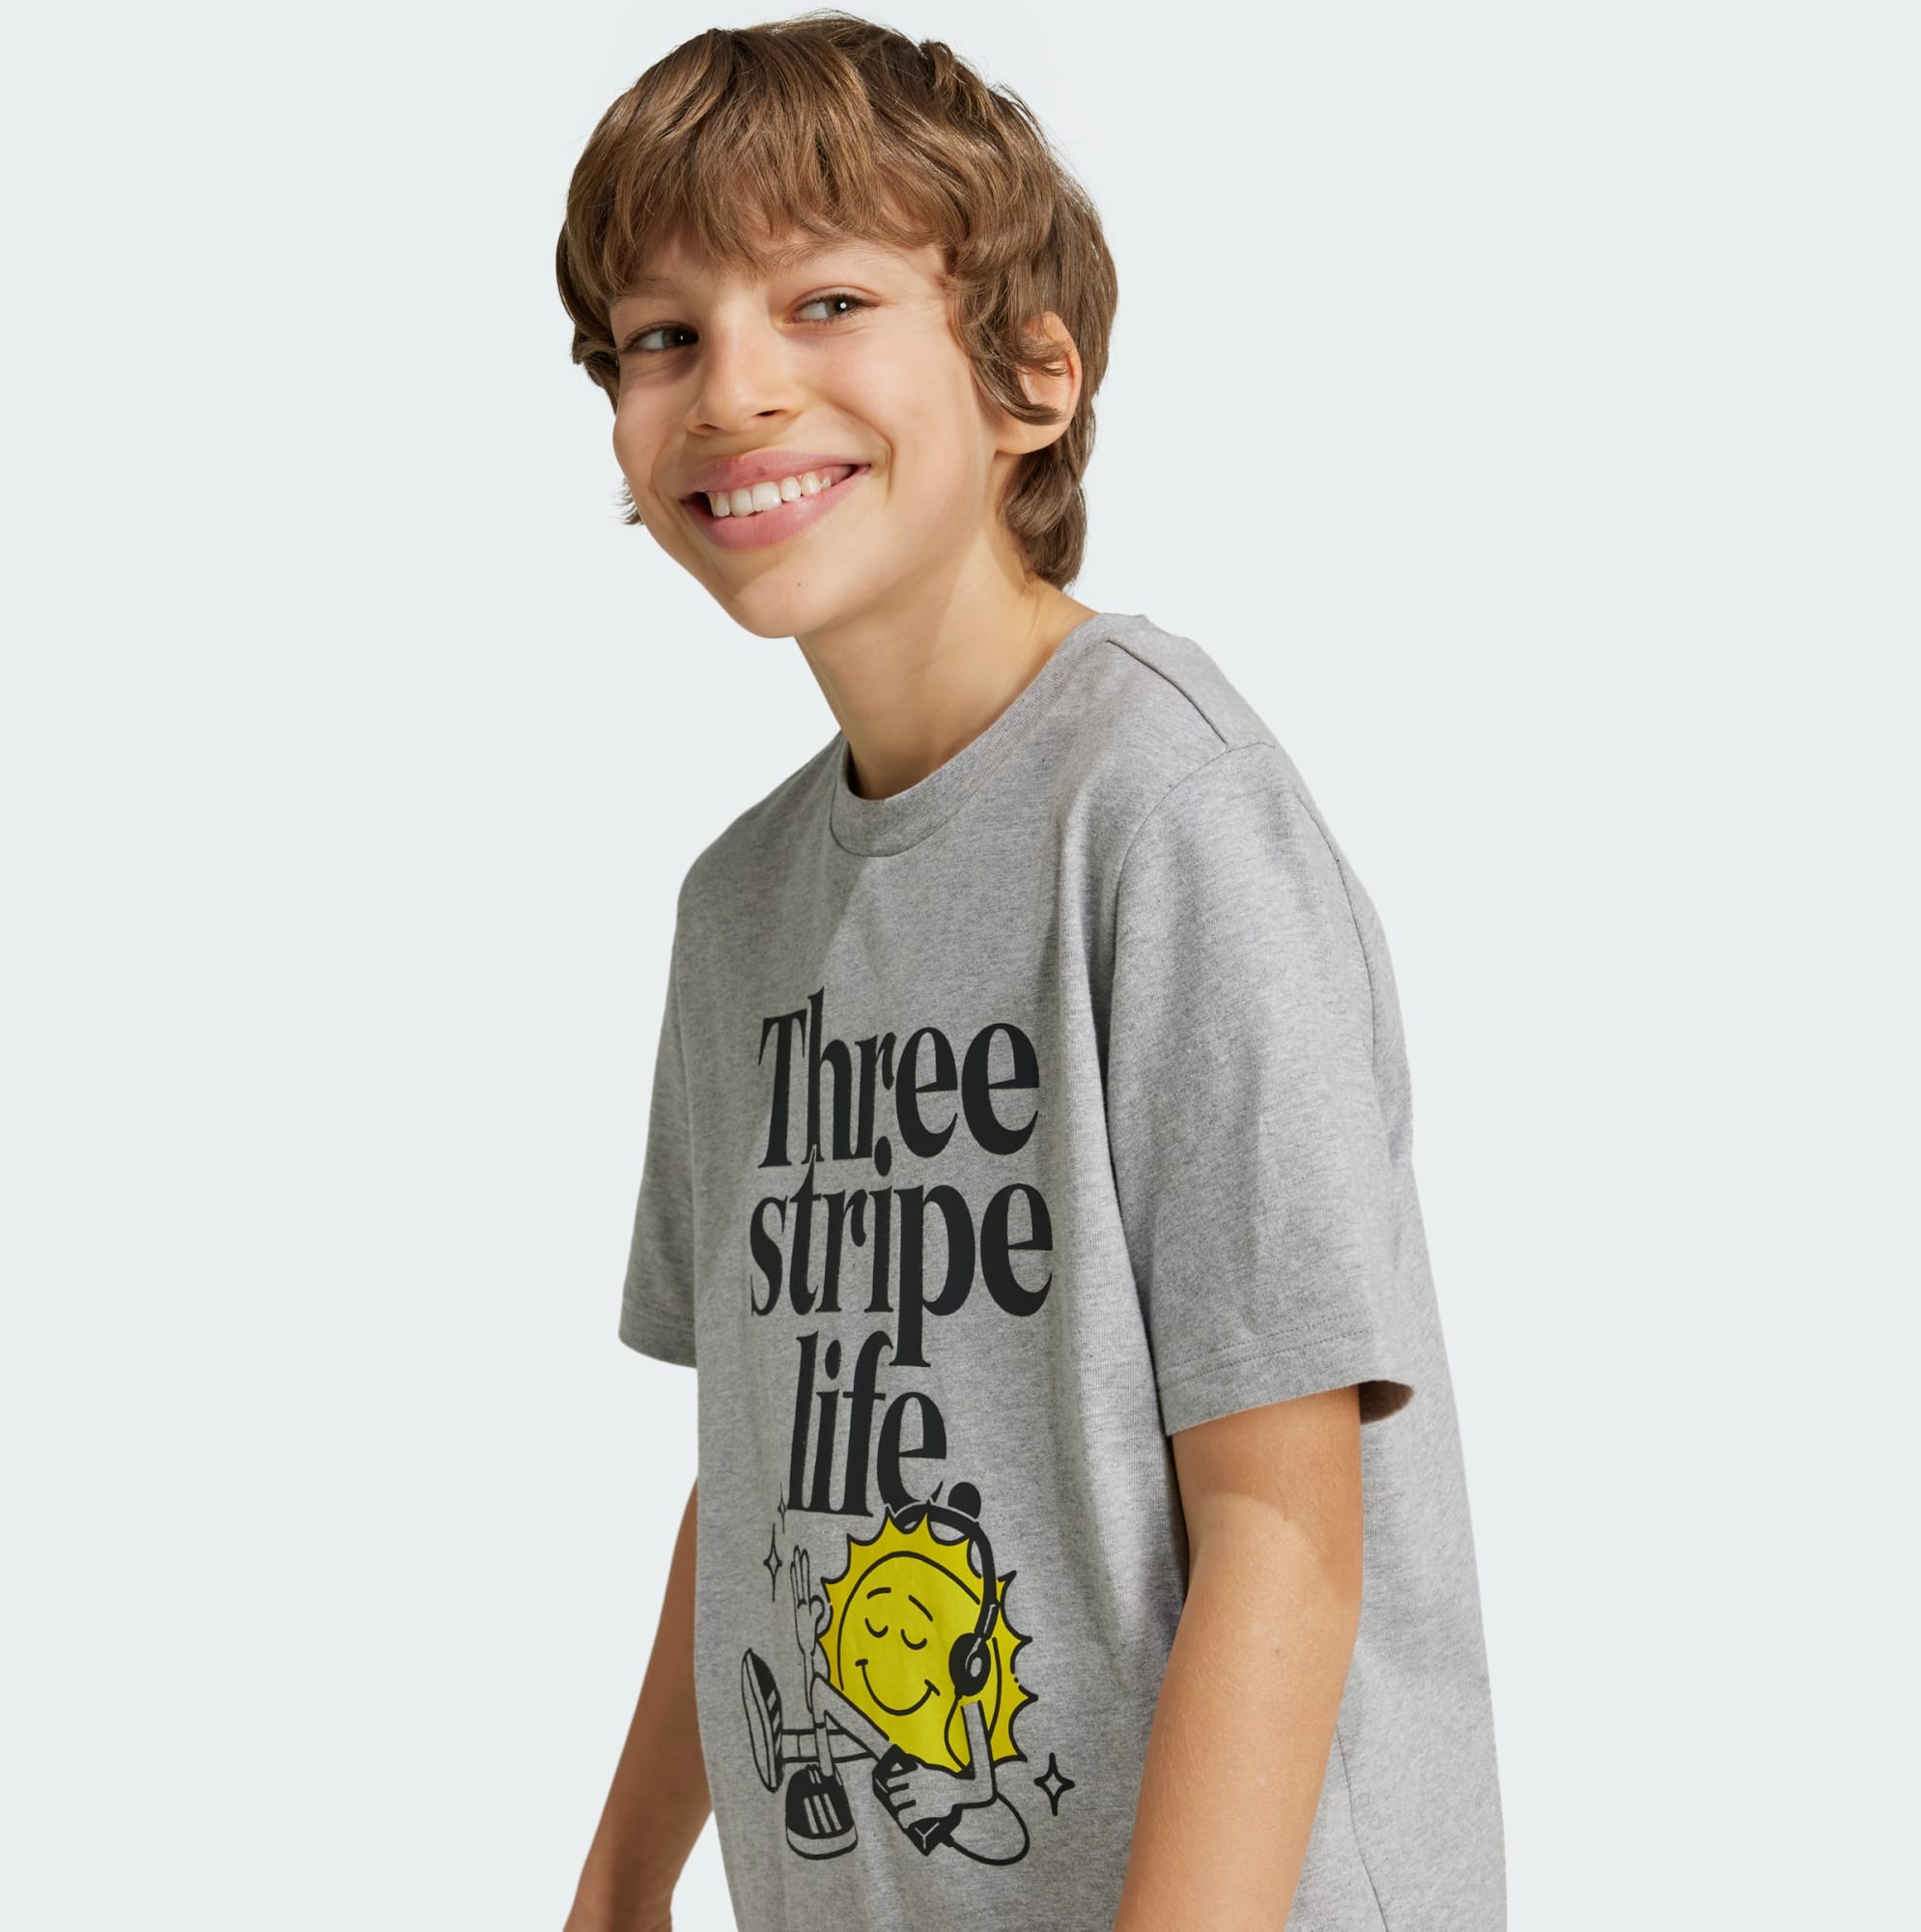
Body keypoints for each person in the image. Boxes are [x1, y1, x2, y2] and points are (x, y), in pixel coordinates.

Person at [554, 14, 1504, 1930]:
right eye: (660, 335)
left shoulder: (1165, 814)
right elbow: (761, 1469)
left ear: (1029, 375)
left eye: (825, 301)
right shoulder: (737, 911)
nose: (733, 385)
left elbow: (1282, 1528)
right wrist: (618, 1885)